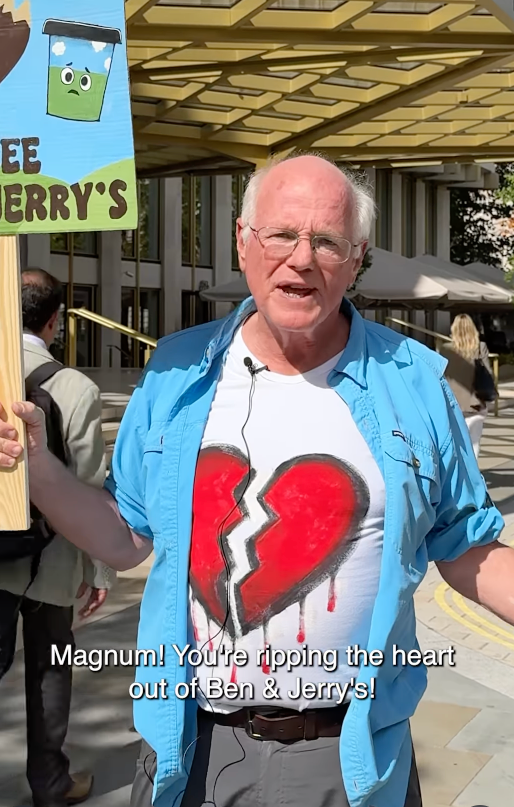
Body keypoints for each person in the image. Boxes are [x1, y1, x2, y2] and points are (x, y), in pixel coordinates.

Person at [1, 155, 514, 807]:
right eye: (281, 234)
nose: (302, 258)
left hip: (353, 759)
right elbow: (126, 535)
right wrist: (39, 470)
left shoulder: (414, 381)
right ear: (243, 241)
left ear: (356, 259)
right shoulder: (176, 373)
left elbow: (465, 546)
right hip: (191, 752)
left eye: (327, 241)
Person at [0, 269, 115, 807]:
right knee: (49, 667)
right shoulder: (75, 388)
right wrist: (100, 570)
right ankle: (51, 784)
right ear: (55, 321)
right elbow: (89, 486)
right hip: (54, 554)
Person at [439, 314, 492, 458]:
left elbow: (439, 376)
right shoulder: (480, 347)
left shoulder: (445, 349)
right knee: (474, 443)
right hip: (476, 404)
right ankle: (472, 477)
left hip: (452, 405)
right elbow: (488, 374)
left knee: (455, 445)